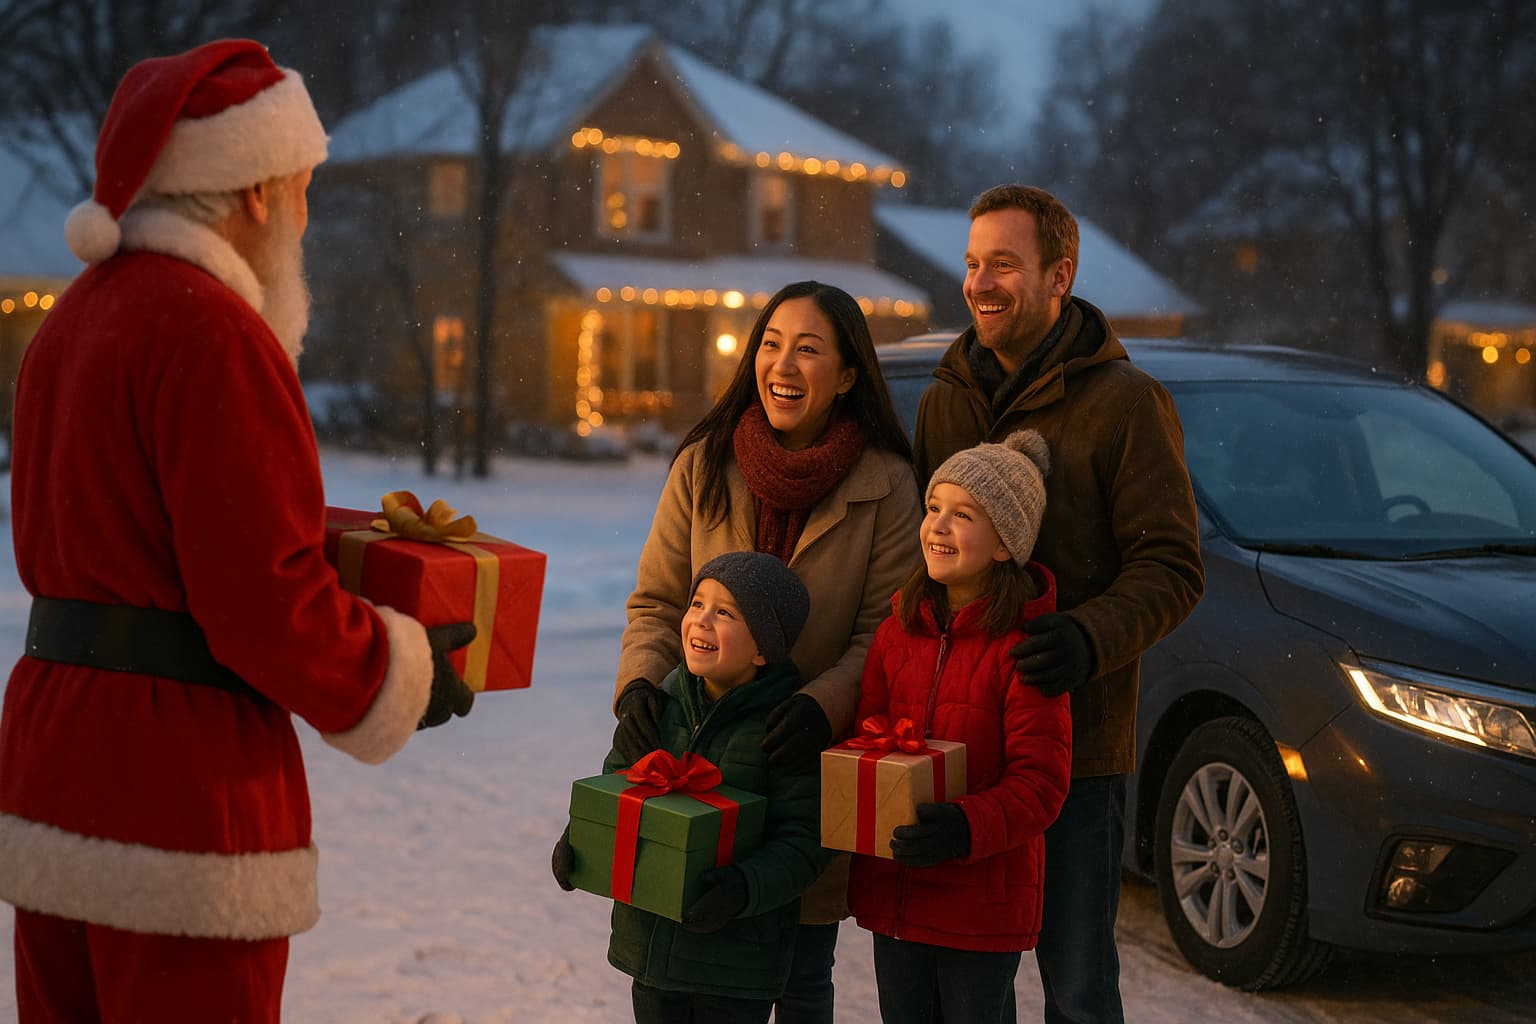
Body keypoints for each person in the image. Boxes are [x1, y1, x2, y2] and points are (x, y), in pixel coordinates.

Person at [0, 39, 476, 1022]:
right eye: (301, 189)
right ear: (256, 194)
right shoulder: (213, 332)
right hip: (180, 796)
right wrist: (399, 671)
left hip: (54, 769)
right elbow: (260, 597)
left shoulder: (70, 324)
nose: (302, 218)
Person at [911, 184, 1205, 1023]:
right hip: (967, 742)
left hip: (1079, 744)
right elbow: (924, 563)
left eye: (1003, 263)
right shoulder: (946, 400)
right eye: (971, 264)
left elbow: (1173, 566)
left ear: (1058, 277)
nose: (980, 282)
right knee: (969, 981)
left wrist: (1086, 636)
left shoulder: (1124, 404)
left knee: (1077, 983)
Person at [613, 279, 923, 1022]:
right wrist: (638, 688)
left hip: (800, 767)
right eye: (772, 344)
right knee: (687, 966)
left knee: (802, 972)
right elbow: (658, 600)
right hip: (701, 760)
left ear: (848, 376)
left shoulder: (888, 486)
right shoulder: (703, 464)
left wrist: (822, 706)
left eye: (809, 349)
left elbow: (884, 635)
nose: (783, 364)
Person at [849, 430, 1072, 1024]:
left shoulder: (1024, 650)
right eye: (933, 509)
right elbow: (865, 734)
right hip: (897, 892)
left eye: (963, 515)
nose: (938, 526)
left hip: (981, 909)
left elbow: (1041, 785)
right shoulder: (898, 630)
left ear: (1006, 545)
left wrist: (963, 827)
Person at [555, 551, 825, 1022]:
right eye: (697, 603)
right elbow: (619, 790)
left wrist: (743, 887)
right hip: (651, 952)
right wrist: (577, 842)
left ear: (764, 648)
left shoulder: (784, 730)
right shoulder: (658, 704)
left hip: (735, 968)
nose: (701, 620)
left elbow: (806, 840)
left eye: (725, 612)